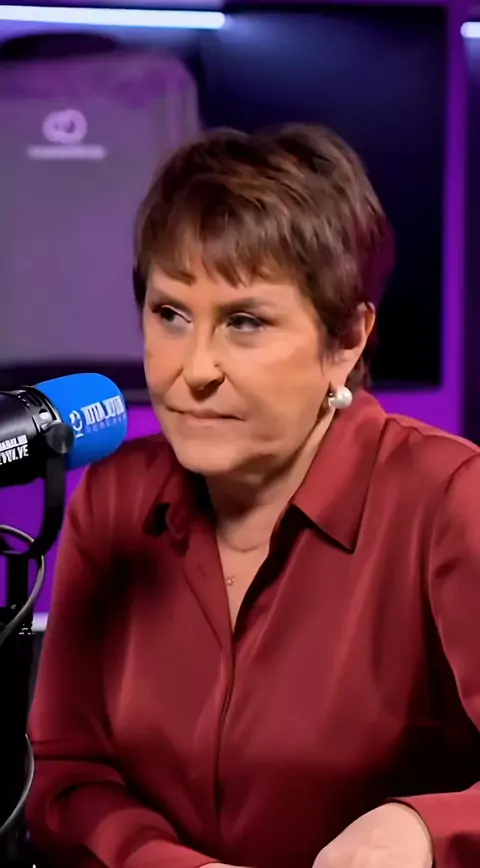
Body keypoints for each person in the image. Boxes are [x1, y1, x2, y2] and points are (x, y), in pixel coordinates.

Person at [26, 124, 480, 868]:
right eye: (171, 315)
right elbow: (64, 776)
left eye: (244, 322)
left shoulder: (449, 499)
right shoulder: (111, 498)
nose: (195, 369)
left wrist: (428, 828)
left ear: (347, 339)